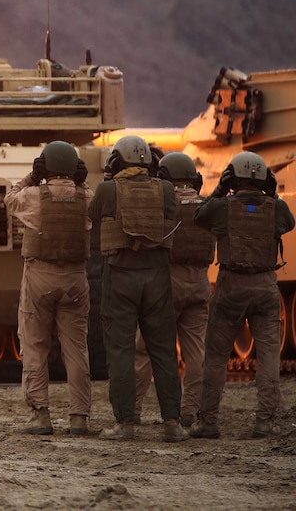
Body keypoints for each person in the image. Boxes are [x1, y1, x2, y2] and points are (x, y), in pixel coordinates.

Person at [89, 134, 188, 442]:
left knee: (120, 351)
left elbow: (93, 215)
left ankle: (125, 423)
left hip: (120, 276)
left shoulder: (108, 190)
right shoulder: (166, 190)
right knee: (163, 351)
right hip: (157, 278)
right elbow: (171, 213)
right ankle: (172, 422)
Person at [190, 151, 295, 439]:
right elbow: (289, 221)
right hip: (265, 286)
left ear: (230, 178)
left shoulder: (222, 208)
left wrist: (220, 190)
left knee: (215, 356)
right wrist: (272, 193)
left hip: (230, 286)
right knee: (270, 356)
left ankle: (208, 421)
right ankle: (264, 421)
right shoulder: (276, 209)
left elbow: (199, 216)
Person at [4, 141, 93, 436]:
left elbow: (9, 199)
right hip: (76, 278)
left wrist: (32, 176)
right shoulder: (86, 197)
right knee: (77, 349)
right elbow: (98, 205)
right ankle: (79, 417)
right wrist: (81, 182)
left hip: (40, 276)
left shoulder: (33, 196)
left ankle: (41, 415)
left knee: (34, 345)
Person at [132, 151, 214, 427]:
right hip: (201, 282)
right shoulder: (207, 206)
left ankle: (133, 410)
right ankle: (189, 411)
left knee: (145, 349)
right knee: (195, 354)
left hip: (168, 281)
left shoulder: (162, 203)